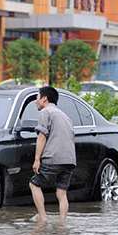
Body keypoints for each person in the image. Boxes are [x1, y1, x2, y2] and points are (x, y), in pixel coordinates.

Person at [29, 86, 77, 223]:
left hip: (53, 158)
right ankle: (62, 223)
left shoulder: (46, 112)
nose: (35, 101)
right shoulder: (65, 116)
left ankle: (42, 217)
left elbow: (42, 136)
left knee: (34, 184)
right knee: (61, 193)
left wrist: (37, 159)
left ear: (44, 99)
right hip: (70, 160)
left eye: (37, 97)